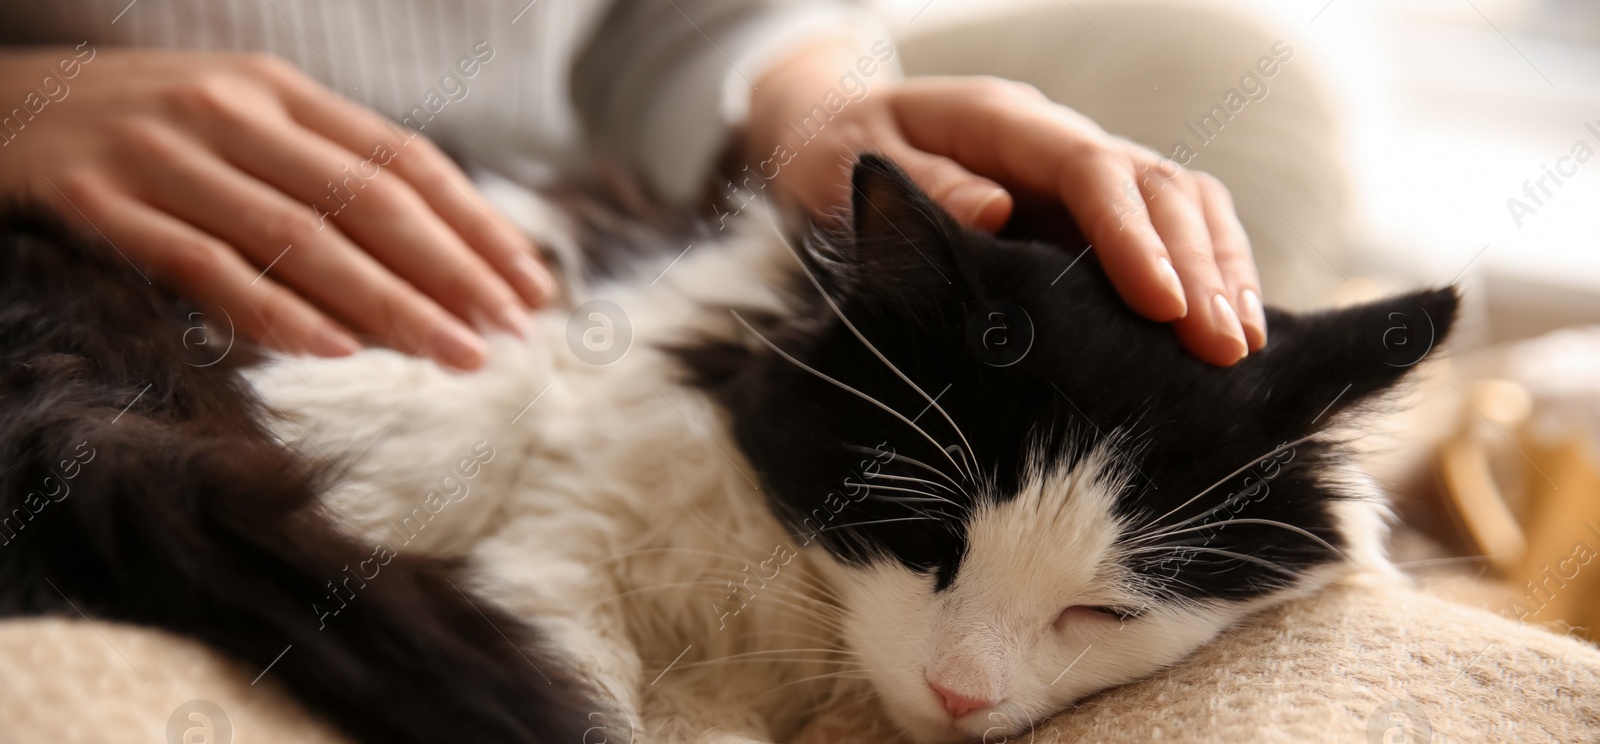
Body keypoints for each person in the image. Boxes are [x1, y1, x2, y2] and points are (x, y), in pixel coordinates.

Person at [0, 0, 1266, 370]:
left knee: (1226, 73)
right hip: (81, 245)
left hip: (572, 174)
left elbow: (681, 22)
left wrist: (813, 109)